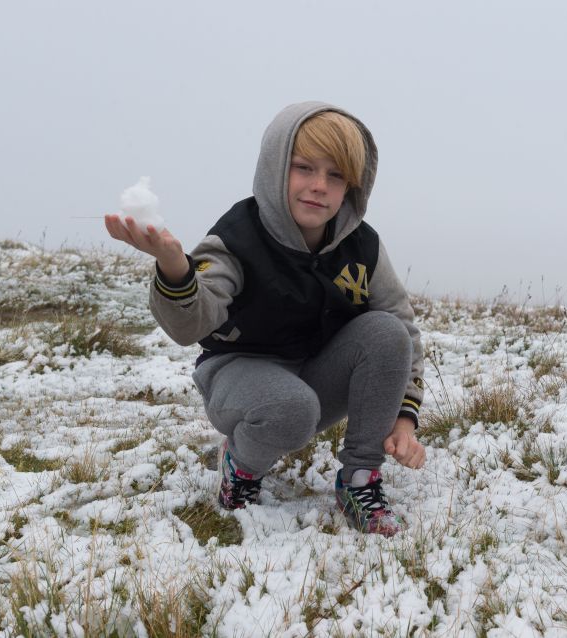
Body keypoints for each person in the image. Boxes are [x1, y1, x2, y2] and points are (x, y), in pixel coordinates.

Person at [104, 101, 425, 537]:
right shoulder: (238, 236)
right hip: (236, 377)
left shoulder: (362, 247)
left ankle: (359, 480)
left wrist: (404, 418)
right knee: (291, 408)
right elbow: (191, 323)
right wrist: (174, 269)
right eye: (304, 168)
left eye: (335, 175)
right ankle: (240, 467)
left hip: (311, 376)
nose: (318, 186)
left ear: (352, 184)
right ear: (276, 166)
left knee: (385, 332)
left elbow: (400, 324)